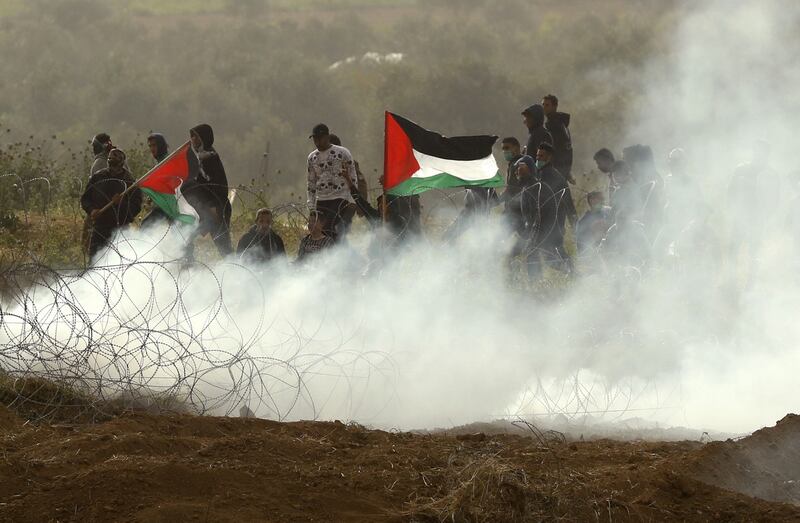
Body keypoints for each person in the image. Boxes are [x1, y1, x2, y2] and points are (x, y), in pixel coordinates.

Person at [526, 142, 578, 278]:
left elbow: (568, 203)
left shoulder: (555, 177)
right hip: (543, 224)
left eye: (542, 156)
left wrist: (574, 223)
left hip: (551, 224)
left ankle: (571, 273)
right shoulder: (539, 174)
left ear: (549, 158)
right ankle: (572, 272)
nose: (538, 159)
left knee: (540, 254)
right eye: (537, 155)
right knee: (539, 252)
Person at [182, 123, 233, 259]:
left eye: (196, 136)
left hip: (215, 208)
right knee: (186, 238)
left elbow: (219, 185)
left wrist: (213, 206)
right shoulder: (197, 158)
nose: (192, 139)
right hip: (203, 210)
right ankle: (188, 265)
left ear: (204, 138)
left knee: (223, 245)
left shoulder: (211, 158)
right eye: (191, 136)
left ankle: (236, 269)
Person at [80, 148, 142, 258]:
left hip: (120, 229)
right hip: (100, 228)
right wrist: (91, 210)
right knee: (94, 262)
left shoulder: (129, 182)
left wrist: (121, 203)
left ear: (122, 163)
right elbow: (85, 199)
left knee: (119, 262)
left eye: (116, 162)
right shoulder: (98, 177)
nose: (113, 168)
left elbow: (136, 207)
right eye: (111, 161)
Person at [307, 123, 357, 241]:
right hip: (321, 198)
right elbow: (311, 182)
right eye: (315, 139)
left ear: (327, 137)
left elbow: (352, 175)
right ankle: (332, 250)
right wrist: (311, 204)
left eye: (320, 138)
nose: (317, 142)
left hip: (340, 197)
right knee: (319, 229)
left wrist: (353, 198)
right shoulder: (312, 157)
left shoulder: (342, 153)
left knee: (328, 227)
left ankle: (333, 253)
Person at [140, 133, 172, 229]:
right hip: (162, 205)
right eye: (150, 146)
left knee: (180, 234)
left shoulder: (169, 161)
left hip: (174, 205)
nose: (152, 149)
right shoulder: (158, 164)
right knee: (145, 226)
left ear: (161, 145)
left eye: (154, 145)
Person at [542, 94, 575, 184]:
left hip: (557, 168)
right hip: (561, 168)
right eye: (543, 105)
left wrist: (564, 170)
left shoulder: (556, 125)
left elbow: (562, 149)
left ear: (555, 106)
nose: (544, 107)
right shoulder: (558, 123)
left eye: (547, 105)